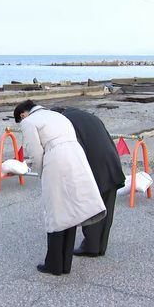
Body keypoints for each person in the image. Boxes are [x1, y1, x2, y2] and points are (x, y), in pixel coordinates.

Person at [14, 100, 106, 276]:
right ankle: (66, 263)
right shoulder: (57, 115)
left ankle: (54, 264)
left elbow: (35, 152)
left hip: (55, 158)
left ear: (23, 114)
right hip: (76, 157)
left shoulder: (29, 122)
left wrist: (42, 173)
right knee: (70, 209)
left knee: (55, 210)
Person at [52, 107, 125, 257]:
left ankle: (90, 246)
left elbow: (74, 147)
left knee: (91, 205)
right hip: (112, 161)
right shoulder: (88, 116)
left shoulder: (66, 122)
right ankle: (100, 246)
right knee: (107, 205)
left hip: (95, 164)